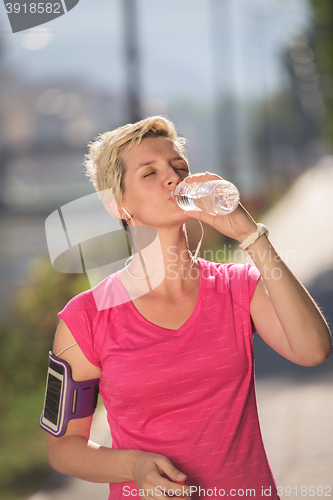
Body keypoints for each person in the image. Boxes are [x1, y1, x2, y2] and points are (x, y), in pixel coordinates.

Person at [46, 116, 332, 500]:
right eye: (150, 173)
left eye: (179, 168)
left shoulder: (237, 287)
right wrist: (132, 465)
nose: (172, 177)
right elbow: (64, 448)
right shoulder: (85, 319)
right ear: (117, 204)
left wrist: (251, 236)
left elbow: (314, 350)